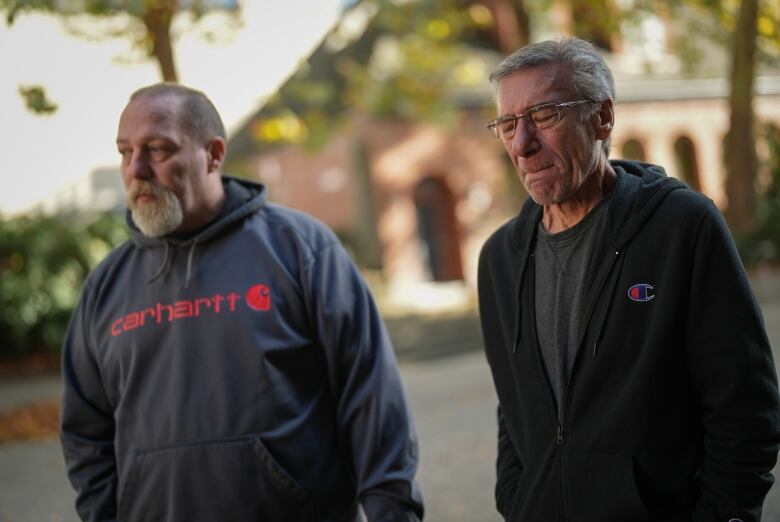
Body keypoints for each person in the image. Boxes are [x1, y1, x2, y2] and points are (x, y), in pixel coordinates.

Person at [60, 83, 424, 522]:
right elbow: (86, 434)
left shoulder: (302, 251)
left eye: (157, 150)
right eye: (124, 152)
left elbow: (370, 400)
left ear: (213, 154)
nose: (136, 169)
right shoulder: (106, 285)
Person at [477, 37, 780, 522]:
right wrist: (518, 502)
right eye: (508, 124)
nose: (522, 144)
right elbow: (514, 410)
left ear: (602, 117)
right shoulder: (498, 259)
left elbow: (745, 408)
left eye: (544, 116)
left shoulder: (682, 225)